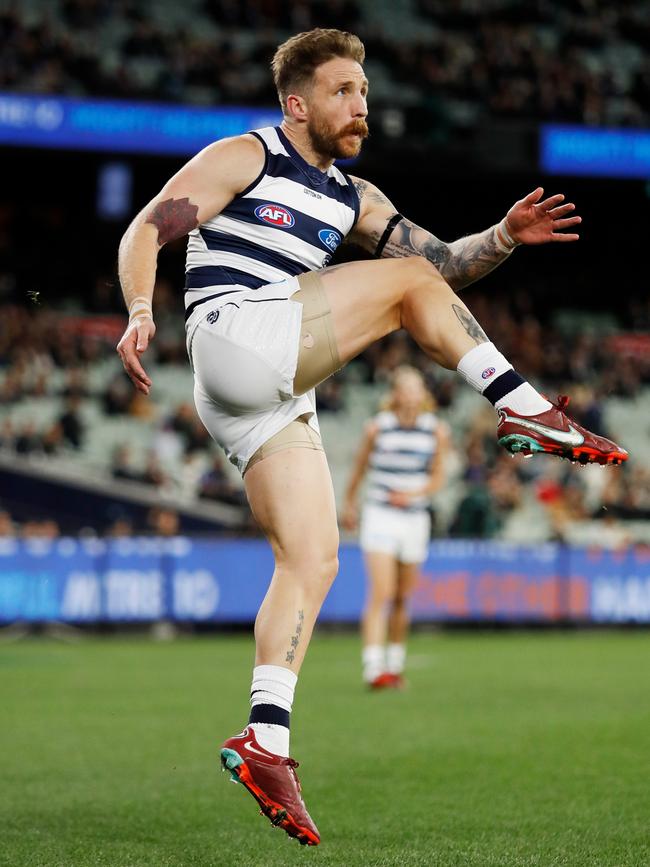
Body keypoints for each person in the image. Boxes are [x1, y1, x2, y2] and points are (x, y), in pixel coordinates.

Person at [115, 28, 628, 846]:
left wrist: (499, 237)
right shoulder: (246, 154)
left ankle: (266, 737)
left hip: (267, 392)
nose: (362, 104)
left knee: (314, 557)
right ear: (298, 103)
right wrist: (142, 311)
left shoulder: (354, 196)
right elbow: (148, 226)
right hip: (236, 335)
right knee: (402, 288)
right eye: (344, 90)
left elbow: (440, 266)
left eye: (364, 90)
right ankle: (523, 405)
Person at [342, 366, 450, 689]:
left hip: (415, 517)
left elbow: (437, 477)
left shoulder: (436, 431)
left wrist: (413, 494)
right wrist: (349, 503)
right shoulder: (377, 428)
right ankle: (373, 668)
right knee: (382, 592)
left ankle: (395, 662)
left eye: (418, 387)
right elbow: (359, 469)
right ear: (396, 393)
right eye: (406, 388)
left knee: (403, 596)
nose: (412, 394)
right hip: (380, 514)